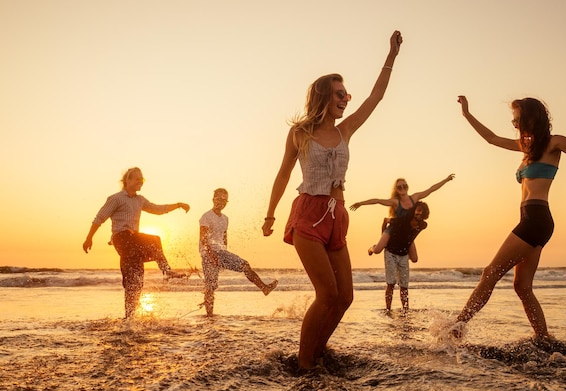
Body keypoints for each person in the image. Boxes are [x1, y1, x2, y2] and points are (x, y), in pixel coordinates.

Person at [262, 30, 403, 370]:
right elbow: (283, 174)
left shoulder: (346, 129)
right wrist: (270, 215)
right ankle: (304, 363)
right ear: (325, 96)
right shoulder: (300, 133)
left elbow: (376, 97)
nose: (347, 99)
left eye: (347, 93)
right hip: (308, 214)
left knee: (345, 298)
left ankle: (317, 350)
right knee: (327, 294)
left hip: (337, 216)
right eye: (340, 93)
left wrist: (391, 55)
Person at [452, 95, 566, 342]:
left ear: (532, 117)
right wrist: (466, 114)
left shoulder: (554, 143)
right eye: (514, 119)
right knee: (522, 286)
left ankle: (457, 327)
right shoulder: (525, 148)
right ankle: (543, 337)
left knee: (490, 272)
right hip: (533, 220)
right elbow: (491, 138)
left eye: (517, 118)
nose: (515, 123)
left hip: (536, 219)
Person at [82, 167, 190, 318]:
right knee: (155, 240)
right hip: (122, 238)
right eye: (137, 179)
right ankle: (166, 270)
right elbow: (99, 218)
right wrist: (89, 238)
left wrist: (178, 204)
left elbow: (158, 209)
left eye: (142, 179)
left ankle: (130, 318)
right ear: (128, 180)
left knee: (135, 279)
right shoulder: (116, 198)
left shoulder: (140, 200)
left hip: (135, 242)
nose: (141, 182)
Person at [198, 188, 278, 317]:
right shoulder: (206, 217)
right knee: (211, 286)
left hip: (222, 252)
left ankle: (264, 288)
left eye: (224, 200)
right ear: (213, 200)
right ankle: (209, 316)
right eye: (219, 199)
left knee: (245, 265)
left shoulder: (225, 218)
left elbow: (224, 235)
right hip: (208, 254)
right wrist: (211, 255)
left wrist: (225, 251)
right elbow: (203, 238)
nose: (221, 202)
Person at [350, 174, 454, 255]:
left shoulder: (415, 197)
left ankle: (400, 260)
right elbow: (377, 201)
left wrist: (446, 180)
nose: (402, 188)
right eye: (399, 187)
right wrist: (360, 203)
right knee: (377, 250)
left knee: (414, 258)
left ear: (407, 187)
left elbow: (431, 189)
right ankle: (371, 247)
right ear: (396, 190)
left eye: (404, 186)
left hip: (407, 232)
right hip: (394, 229)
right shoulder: (395, 202)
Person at [381, 201, 430, 313]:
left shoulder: (423, 225)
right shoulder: (402, 221)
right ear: (413, 211)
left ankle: (405, 310)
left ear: (425, 213)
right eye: (418, 210)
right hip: (391, 252)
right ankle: (388, 309)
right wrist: (382, 238)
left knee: (404, 285)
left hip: (404, 254)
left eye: (422, 211)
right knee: (391, 282)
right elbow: (385, 220)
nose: (419, 213)